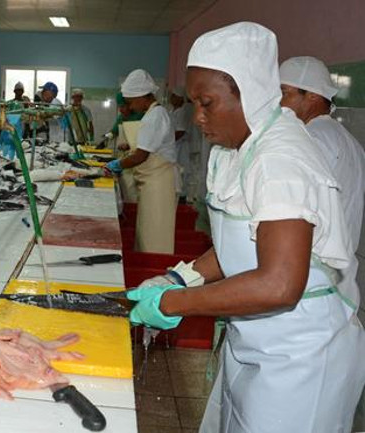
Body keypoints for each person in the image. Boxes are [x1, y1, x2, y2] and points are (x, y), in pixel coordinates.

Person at [125, 22, 365, 433]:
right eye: (194, 103)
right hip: (257, 339)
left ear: (250, 94)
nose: (197, 117)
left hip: (301, 353)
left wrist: (172, 304)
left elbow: (279, 284)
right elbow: (243, 241)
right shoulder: (240, 147)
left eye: (207, 103)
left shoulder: (281, 159)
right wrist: (180, 276)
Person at [279, 56, 365, 248]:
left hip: (313, 264)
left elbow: (293, 208)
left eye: (284, 93)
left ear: (313, 96)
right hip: (338, 265)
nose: (279, 102)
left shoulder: (310, 138)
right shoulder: (347, 140)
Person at [104, 69, 177, 253]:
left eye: (131, 102)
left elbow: (141, 156)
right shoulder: (152, 114)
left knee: (156, 239)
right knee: (146, 235)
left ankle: (157, 275)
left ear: (142, 96)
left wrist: (117, 165)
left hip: (159, 184)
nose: (131, 107)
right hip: (151, 183)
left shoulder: (155, 116)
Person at [169, 86, 193, 199]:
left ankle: (183, 197)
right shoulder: (172, 111)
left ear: (180, 98)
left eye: (174, 96)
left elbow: (180, 131)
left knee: (182, 171)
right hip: (174, 146)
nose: (171, 98)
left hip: (181, 146)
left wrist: (165, 142)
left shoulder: (182, 111)